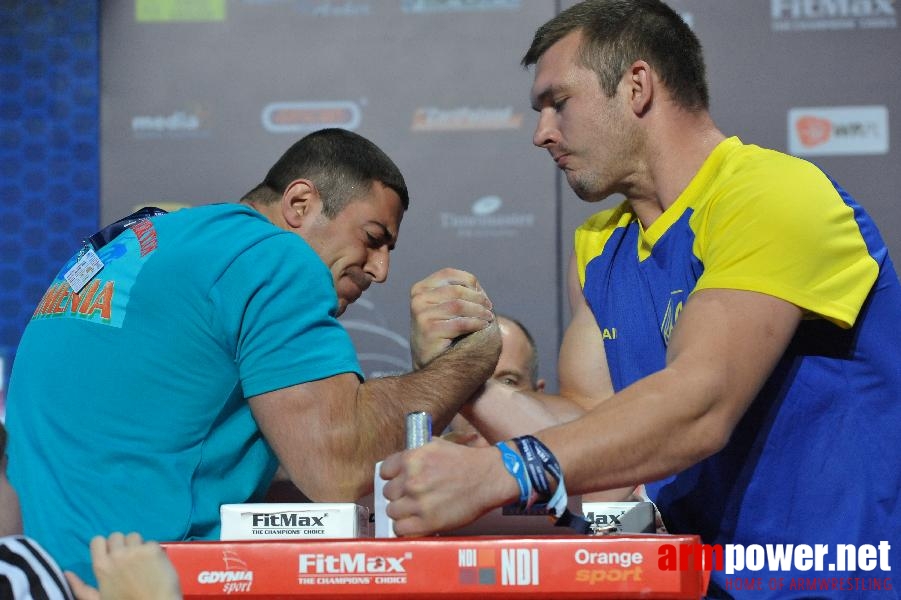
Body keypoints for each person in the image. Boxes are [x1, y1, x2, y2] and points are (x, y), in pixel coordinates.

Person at [381, 1, 901, 596]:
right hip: (703, 586)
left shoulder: (773, 195)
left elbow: (699, 406)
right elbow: (599, 454)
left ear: (636, 85)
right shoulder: (601, 248)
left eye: (558, 102)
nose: (540, 132)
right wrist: (462, 370)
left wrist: (500, 472)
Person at [6, 128, 501, 584]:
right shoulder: (272, 256)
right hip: (132, 584)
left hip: (37, 574)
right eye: (373, 239)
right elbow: (335, 467)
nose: (381, 269)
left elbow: (145, 441)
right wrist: (468, 360)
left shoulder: (144, 241)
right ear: (300, 203)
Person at [444, 315, 546, 447]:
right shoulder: (415, 462)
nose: (484, 399)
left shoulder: (565, 465)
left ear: (539, 397)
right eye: (470, 381)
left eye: (508, 382)